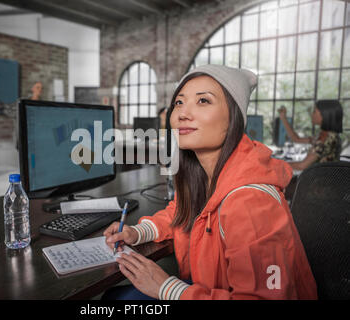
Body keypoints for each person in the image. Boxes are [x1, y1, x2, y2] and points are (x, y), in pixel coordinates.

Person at [103, 64, 317, 300]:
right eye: (179, 102)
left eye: (203, 101)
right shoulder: (202, 174)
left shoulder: (250, 201)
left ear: (234, 117)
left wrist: (167, 288)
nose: (182, 113)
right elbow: (181, 212)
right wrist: (138, 232)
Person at [277, 100, 343, 171]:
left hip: (319, 180)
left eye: (314, 111)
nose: (312, 115)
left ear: (324, 114)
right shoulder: (328, 135)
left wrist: (276, 164)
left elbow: (301, 166)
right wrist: (283, 118)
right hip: (324, 179)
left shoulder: (324, 138)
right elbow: (296, 139)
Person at [0, 81, 43, 147]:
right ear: (32, 89)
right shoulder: (23, 102)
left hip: (38, 140)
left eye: (41, 88)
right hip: (23, 140)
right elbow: (9, 110)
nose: (40, 90)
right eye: (38, 87)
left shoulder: (43, 106)